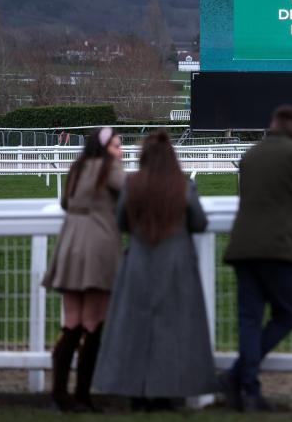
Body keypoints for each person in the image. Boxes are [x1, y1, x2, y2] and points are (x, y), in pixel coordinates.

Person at [221, 105, 292, 411]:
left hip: (242, 247)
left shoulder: (250, 155)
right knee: (287, 316)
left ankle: (246, 387)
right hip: (279, 249)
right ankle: (237, 378)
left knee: (249, 320)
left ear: (272, 125)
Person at [93, 130, 216, 410]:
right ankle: (168, 393)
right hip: (177, 265)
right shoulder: (183, 185)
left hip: (138, 263)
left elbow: (122, 221)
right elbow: (200, 222)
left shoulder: (132, 183)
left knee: (135, 329)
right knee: (175, 330)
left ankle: (138, 394)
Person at [42, 126, 125, 411]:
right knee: (93, 323)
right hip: (98, 249)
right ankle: (82, 396)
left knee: (71, 324)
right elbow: (129, 195)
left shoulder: (77, 167)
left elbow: (66, 202)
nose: (121, 150)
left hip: (69, 245)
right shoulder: (108, 168)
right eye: (117, 145)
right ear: (104, 148)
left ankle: (59, 394)